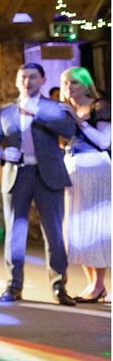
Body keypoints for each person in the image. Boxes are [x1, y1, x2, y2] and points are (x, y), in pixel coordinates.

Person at [0, 63, 78, 306]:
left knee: (55, 234)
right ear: (17, 81)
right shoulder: (5, 111)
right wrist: (2, 155)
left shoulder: (55, 107)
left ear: (43, 80)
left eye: (33, 77)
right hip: (18, 175)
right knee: (15, 234)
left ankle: (59, 287)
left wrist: (38, 113)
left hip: (49, 175)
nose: (27, 82)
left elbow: (69, 130)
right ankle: (13, 287)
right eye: (23, 77)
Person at [59, 67, 110, 303]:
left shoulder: (99, 106)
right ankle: (93, 284)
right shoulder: (64, 109)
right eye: (66, 83)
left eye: (75, 83)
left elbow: (104, 141)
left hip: (95, 168)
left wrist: (78, 120)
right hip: (73, 168)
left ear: (86, 85)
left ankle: (99, 285)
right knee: (78, 229)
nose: (70, 88)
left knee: (94, 227)